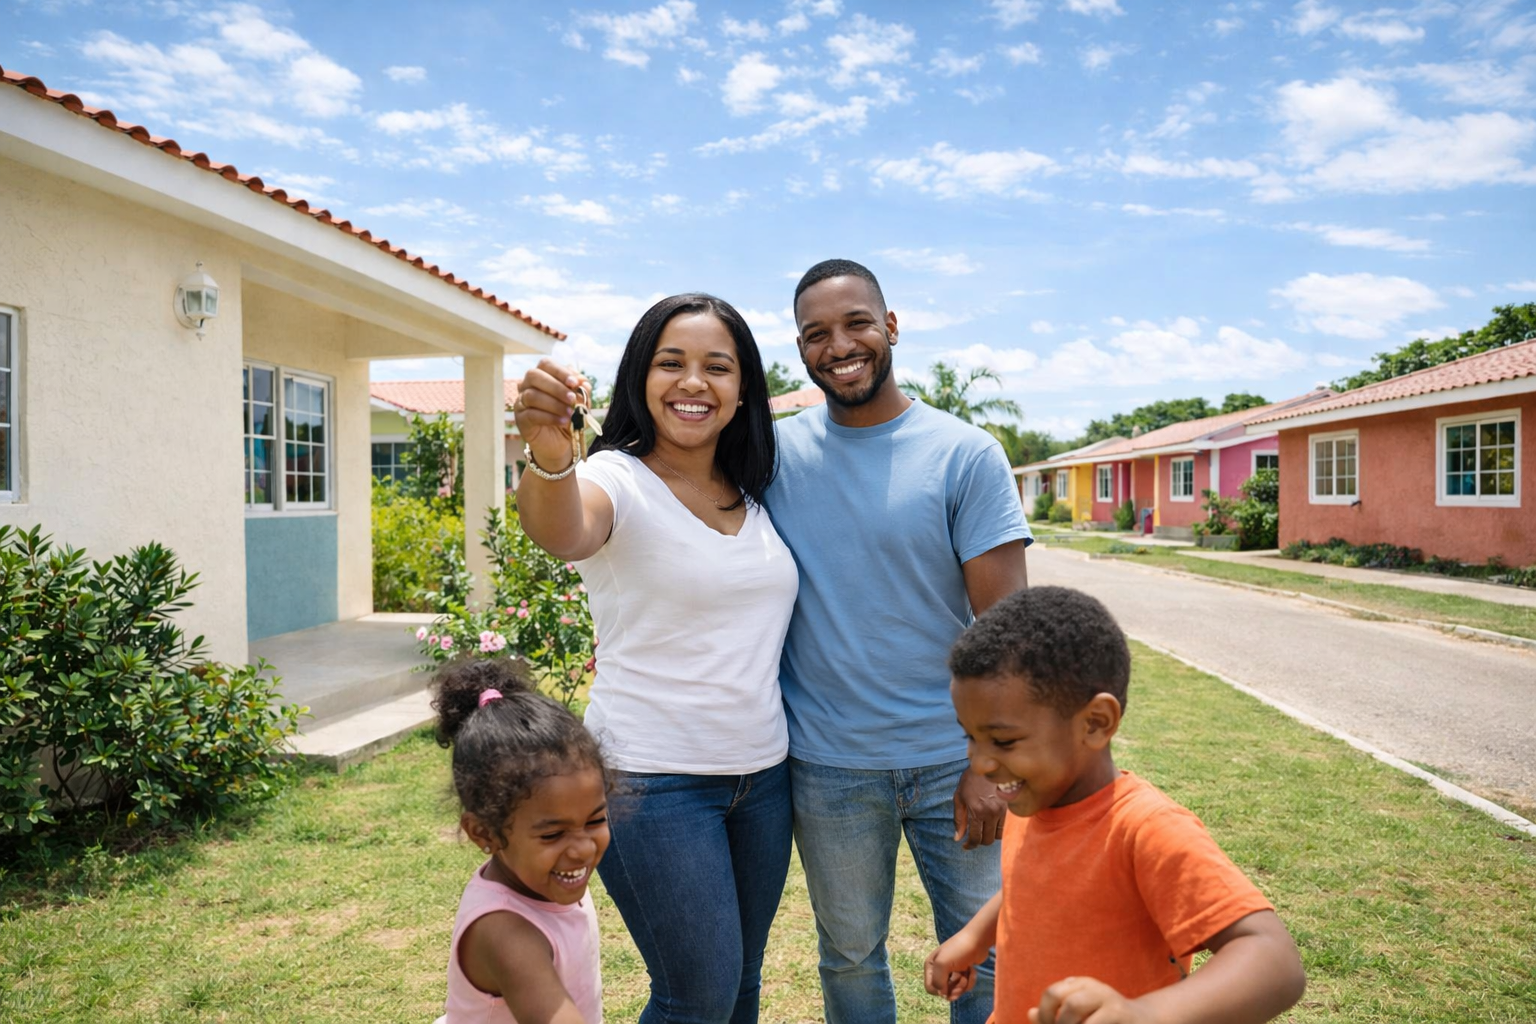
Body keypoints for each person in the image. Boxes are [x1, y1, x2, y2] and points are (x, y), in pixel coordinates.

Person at [511, 293, 798, 1024]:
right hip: (655, 783)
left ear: (743, 390)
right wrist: (550, 457)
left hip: (762, 778)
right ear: (641, 377)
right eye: (671, 363)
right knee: (695, 994)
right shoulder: (617, 479)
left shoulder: (755, 494)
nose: (693, 383)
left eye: (717, 367)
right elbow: (566, 530)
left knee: (739, 986)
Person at [763, 258, 1031, 1024]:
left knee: (985, 954)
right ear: (801, 348)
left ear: (891, 327)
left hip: (955, 759)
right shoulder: (774, 456)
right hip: (830, 766)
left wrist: (993, 763)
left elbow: (1009, 629)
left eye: (855, 323)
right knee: (848, 957)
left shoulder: (964, 454)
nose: (839, 345)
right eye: (817, 334)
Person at [926, 586, 1307, 1024]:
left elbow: (1273, 958)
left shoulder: (1145, 829)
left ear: (1095, 723)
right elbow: (1030, 885)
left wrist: (1141, 1014)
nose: (980, 761)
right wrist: (975, 937)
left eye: (1003, 740)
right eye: (969, 736)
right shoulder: (1031, 800)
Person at [433, 657, 609, 1024]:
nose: (583, 848)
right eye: (553, 834)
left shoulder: (547, 878)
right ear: (484, 832)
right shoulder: (504, 932)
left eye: (595, 820)